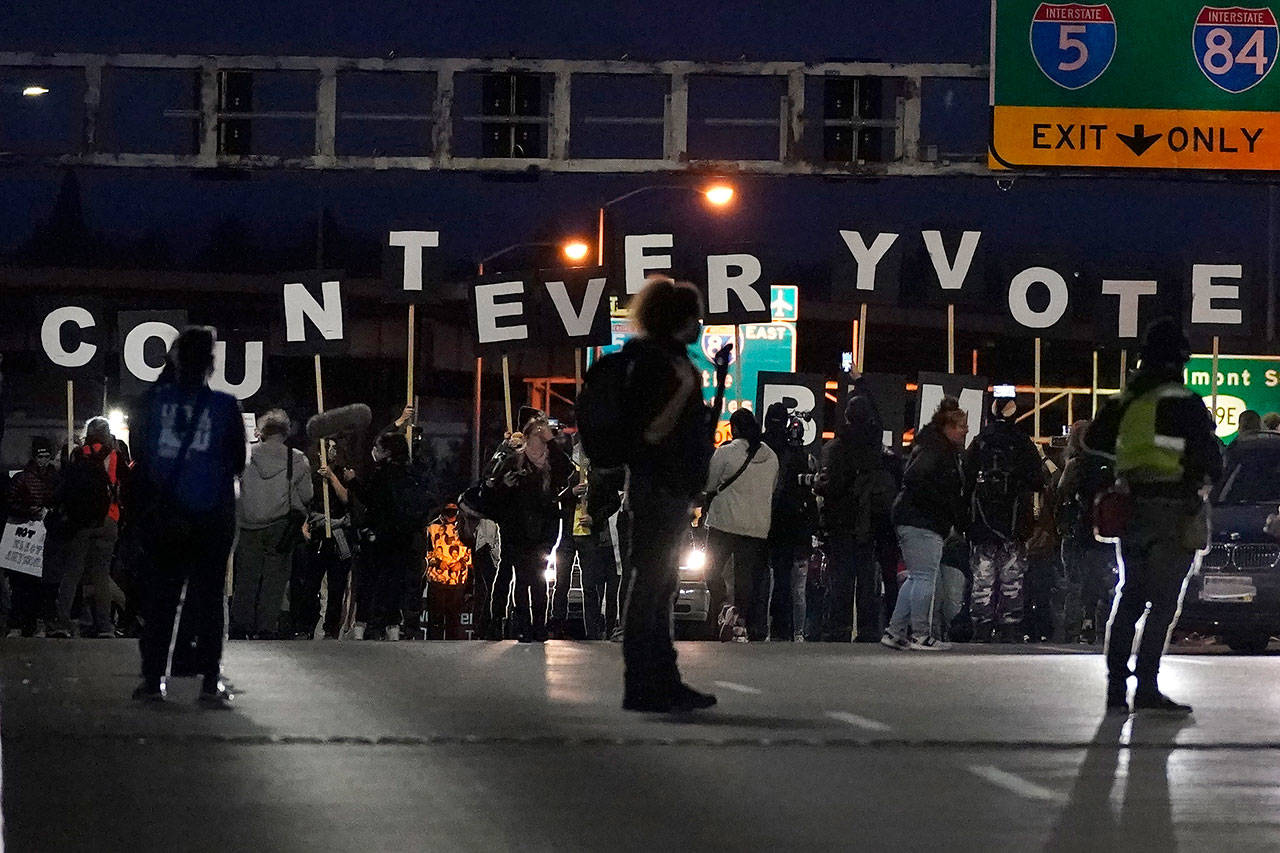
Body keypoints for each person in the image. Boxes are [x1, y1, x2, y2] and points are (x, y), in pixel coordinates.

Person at [1085, 318, 1221, 713]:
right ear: (1181, 361)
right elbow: (1211, 459)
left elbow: (1093, 440)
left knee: (1129, 597)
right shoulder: (1184, 401)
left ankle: (1115, 688)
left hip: (1131, 508)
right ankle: (1146, 687)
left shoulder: (1126, 400)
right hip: (1173, 510)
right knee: (1162, 604)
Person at [617, 276, 721, 711]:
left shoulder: (660, 359)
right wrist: (683, 391)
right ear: (680, 321)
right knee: (653, 585)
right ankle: (648, 681)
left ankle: (659, 677)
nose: (699, 325)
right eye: (695, 318)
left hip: (664, 487)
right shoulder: (663, 366)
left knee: (660, 585)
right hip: (659, 487)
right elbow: (653, 432)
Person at [130, 326, 245, 706]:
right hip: (212, 516)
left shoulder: (150, 404)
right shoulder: (226, 407)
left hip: (166, 516)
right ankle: (209, 682)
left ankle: (152, 680)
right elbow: (237, 462)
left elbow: (140, 457)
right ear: (211, 364)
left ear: (173, 361)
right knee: (209, 600)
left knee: (161, 599)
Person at [883, 397, 968, 651]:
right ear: (948, 427)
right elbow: (917, 479)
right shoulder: (938, 450)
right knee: (925, 578)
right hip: (923, 522)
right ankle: (921, 634)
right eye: (961, 426)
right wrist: (942, 508)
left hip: (914, 519)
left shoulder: (931, 445)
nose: (965, 431)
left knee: (917, 577)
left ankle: (895, 631)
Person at [815, 391, 896, 642]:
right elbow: (880, 420)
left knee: (841, 578)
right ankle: (868, 629)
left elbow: (831, 485)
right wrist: (861, 383)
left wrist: (819, 485)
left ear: (847, 417)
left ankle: (839, 628)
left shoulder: (836, 448)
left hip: (841, 520)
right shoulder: (874, 446)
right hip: (868, 520)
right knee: (866, 579)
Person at [964, 394, 1045, 642]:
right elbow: (1038, 481)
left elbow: (965, 481)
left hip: (982, 523)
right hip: (1013, 524)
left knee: (982, 579)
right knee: (1012, 579)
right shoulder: (1022, 443)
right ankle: (1010, 628)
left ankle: (981, 628)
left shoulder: (980, 442)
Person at [489, 407, 573, 643]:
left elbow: (567, 470)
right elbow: (495, 490)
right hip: (518, 528)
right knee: (522, 579)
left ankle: (539, 625)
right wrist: (506, 485)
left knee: (539, 579)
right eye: (538, 436)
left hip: (544, 528)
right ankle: (523, 625)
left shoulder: (551, 462)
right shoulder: (515, 460)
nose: (540, 444)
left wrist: (552, 442)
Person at [231, 409, 312, 639]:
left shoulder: (245, 455)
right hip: (280, 525)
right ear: (286, 433)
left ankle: (240, 626)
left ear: (262, 431)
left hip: (248, 524)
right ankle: (266, 626)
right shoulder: (296, 459)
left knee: (246, 578)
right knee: (275, 579)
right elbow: (307, 495)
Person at [704, 408, 778, 642]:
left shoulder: (725, 453)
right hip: (756, 526)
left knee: (711, 569)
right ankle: (739, 621)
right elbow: (772, 489)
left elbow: (709, 484)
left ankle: (724, 605)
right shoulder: (772, 456)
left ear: (734, 428)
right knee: (745, 577)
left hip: (724, 522)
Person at [349, 414, 425, 642]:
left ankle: (363, 625)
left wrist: (352, 481)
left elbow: (370, 499)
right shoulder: (412, 475)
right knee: (396, 584)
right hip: (403, 539)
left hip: (379, 538)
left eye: (378, 448)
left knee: (370, 582)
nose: (375, 451)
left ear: (387, 452)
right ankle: (393, 626)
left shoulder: (382, 474)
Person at [52, 416, 125, 638]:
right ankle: (105, 626)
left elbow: (65, 482)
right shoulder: (114, 455)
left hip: (82, 520)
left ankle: (62, 623)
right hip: (109, 518)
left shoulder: (78, 454)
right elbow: (124, 485)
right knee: (101, 575)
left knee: (72, 573)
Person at [1056, 420, 1116, 644]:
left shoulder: (1076, 465)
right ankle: (1104, 629)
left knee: (1074, 584)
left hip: (1078, 533)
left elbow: (1062, 494)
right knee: (1106, 583)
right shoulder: (1110, 463)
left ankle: (1074, 630)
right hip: (1106, 534)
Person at [762, 401, 815, 641]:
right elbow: (809, 490)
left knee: (775, 581)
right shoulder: (801, 455)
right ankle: (796, 631)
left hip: (771, 521)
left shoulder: (762, 446)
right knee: (798, 587)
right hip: (797, 523)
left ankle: (770, 628)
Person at [294, 440, 355, 639]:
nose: (330, 450)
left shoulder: (343, 472)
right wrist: (304, 525)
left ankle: (331, 628)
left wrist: (331, 476)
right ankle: (306, 626)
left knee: (337, 586)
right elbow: (304, 503)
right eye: (327, 446)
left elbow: (347, 499)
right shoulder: (311, 474)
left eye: (333, 447)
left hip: (338, 535)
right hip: (317, 534)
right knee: (310, 584)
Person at [4, 437, 59, 636]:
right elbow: (10, 502)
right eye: (40, 456)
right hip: (26, 534)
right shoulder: (22, 478)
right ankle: (19, 623)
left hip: (44, 535)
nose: (43, 460)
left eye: (46, 456)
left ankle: (35, 622)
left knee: (40, 583)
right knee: (22, 583)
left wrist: (49, 512)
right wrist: (29, 511)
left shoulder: (54, 477)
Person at [423, 503, 470, 639]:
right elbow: (426, 551)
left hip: (458, 579)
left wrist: (461, 563)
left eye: (454, 512)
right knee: (435, 617)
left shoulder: (465, 527)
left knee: (454, 619)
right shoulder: (432, 527)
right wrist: (438, 562)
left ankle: (452, 649)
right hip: (437, 578)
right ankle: (433, 646)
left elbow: (471, 550)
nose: (451, 516)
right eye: (448, 512)